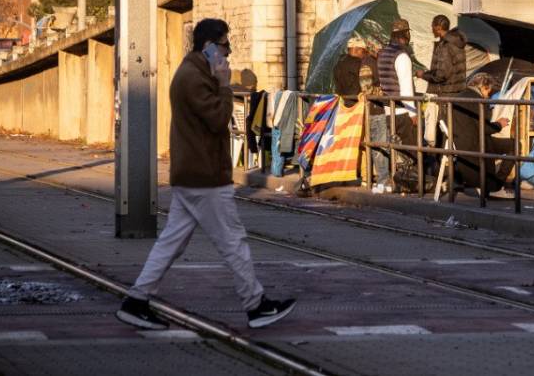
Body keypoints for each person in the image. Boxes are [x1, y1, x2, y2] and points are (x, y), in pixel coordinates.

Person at [116, 18, 296, 331]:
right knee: (233, 241)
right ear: (210, 46)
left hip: (194, 174)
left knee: (171, 243)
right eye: (225, 45)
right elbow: (217, 118)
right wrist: (225, 85)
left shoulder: (195, 73)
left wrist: (218, 80)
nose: (229, 52)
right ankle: (256, 305)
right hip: (205, 176)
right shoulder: (191, 77)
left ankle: (136, 299)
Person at [447, 73, 516, 196]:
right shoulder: (477, 100)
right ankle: (497, 185)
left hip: (460, 143)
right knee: (515, 145)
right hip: (478, 144)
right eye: (488, 91)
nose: (488, 95)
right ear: (484, 87)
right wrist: (499, 124)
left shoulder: (459, 96)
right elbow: (486, 128)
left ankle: (493, 184)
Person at [375, 19, 418, 190]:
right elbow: (406, 87)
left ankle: (397, 182)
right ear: (405, 34)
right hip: (402, 112)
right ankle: (411, 185)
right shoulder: (402, 56)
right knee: (411, 152)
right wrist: (413, 113)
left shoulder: (383, 53)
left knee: (397, 151)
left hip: (388, 110)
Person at [417, 15, 467, 96]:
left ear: (438, 28)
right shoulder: (456, 43)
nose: (432, 30)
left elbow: (441, 75)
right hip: (457, 92)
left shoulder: (446, 46)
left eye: (433, 27)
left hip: (446, 94)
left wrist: (423, 75)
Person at [333, 36, 377, 106]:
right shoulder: (361, 63)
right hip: (359, 105)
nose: (365, 53)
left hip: (343, 105)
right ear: (358, 50)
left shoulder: (338, 63)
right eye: (364, 50)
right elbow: (366, 89)